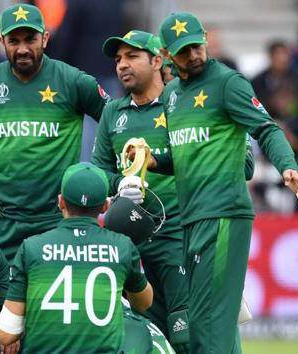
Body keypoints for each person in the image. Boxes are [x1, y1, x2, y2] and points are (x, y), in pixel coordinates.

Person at [148, 12, 298, 354]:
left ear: (205, 38)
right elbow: (182, 156)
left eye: (196, 46)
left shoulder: (228, 82)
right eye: (183, 50)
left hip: (223, 214)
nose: (193, 55)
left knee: (210, 320)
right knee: (206, 318)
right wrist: (151, 161)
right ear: (165, 54)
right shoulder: (172, 95)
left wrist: (286, 167)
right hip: (189, 218)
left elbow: (266, 129)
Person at [0, 3, 109, 261]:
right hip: (1, 222)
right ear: (1, 41)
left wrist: (101, 176)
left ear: (45, 38)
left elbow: (116, 123)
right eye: (14, 40)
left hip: (56, 220)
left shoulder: (73, 81)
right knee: (0, 300)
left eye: (30, 39)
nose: (22, 49)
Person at [92, 30, 190, 353]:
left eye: (132, 56)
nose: (122, 65)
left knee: (184, 334)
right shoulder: (112, 113)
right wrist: (119, 184)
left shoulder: (179, 104)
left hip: (177, 235)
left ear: (157, 61)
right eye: (118, 59)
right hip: (130, 241)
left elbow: (195, 160)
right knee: (144, 335)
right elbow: (98, 174)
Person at [0, 162, 153, 353]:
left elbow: (6, 334)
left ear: (60, 202)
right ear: (105, 206)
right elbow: (144, 303)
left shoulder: (31, 247)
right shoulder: (123, 246)